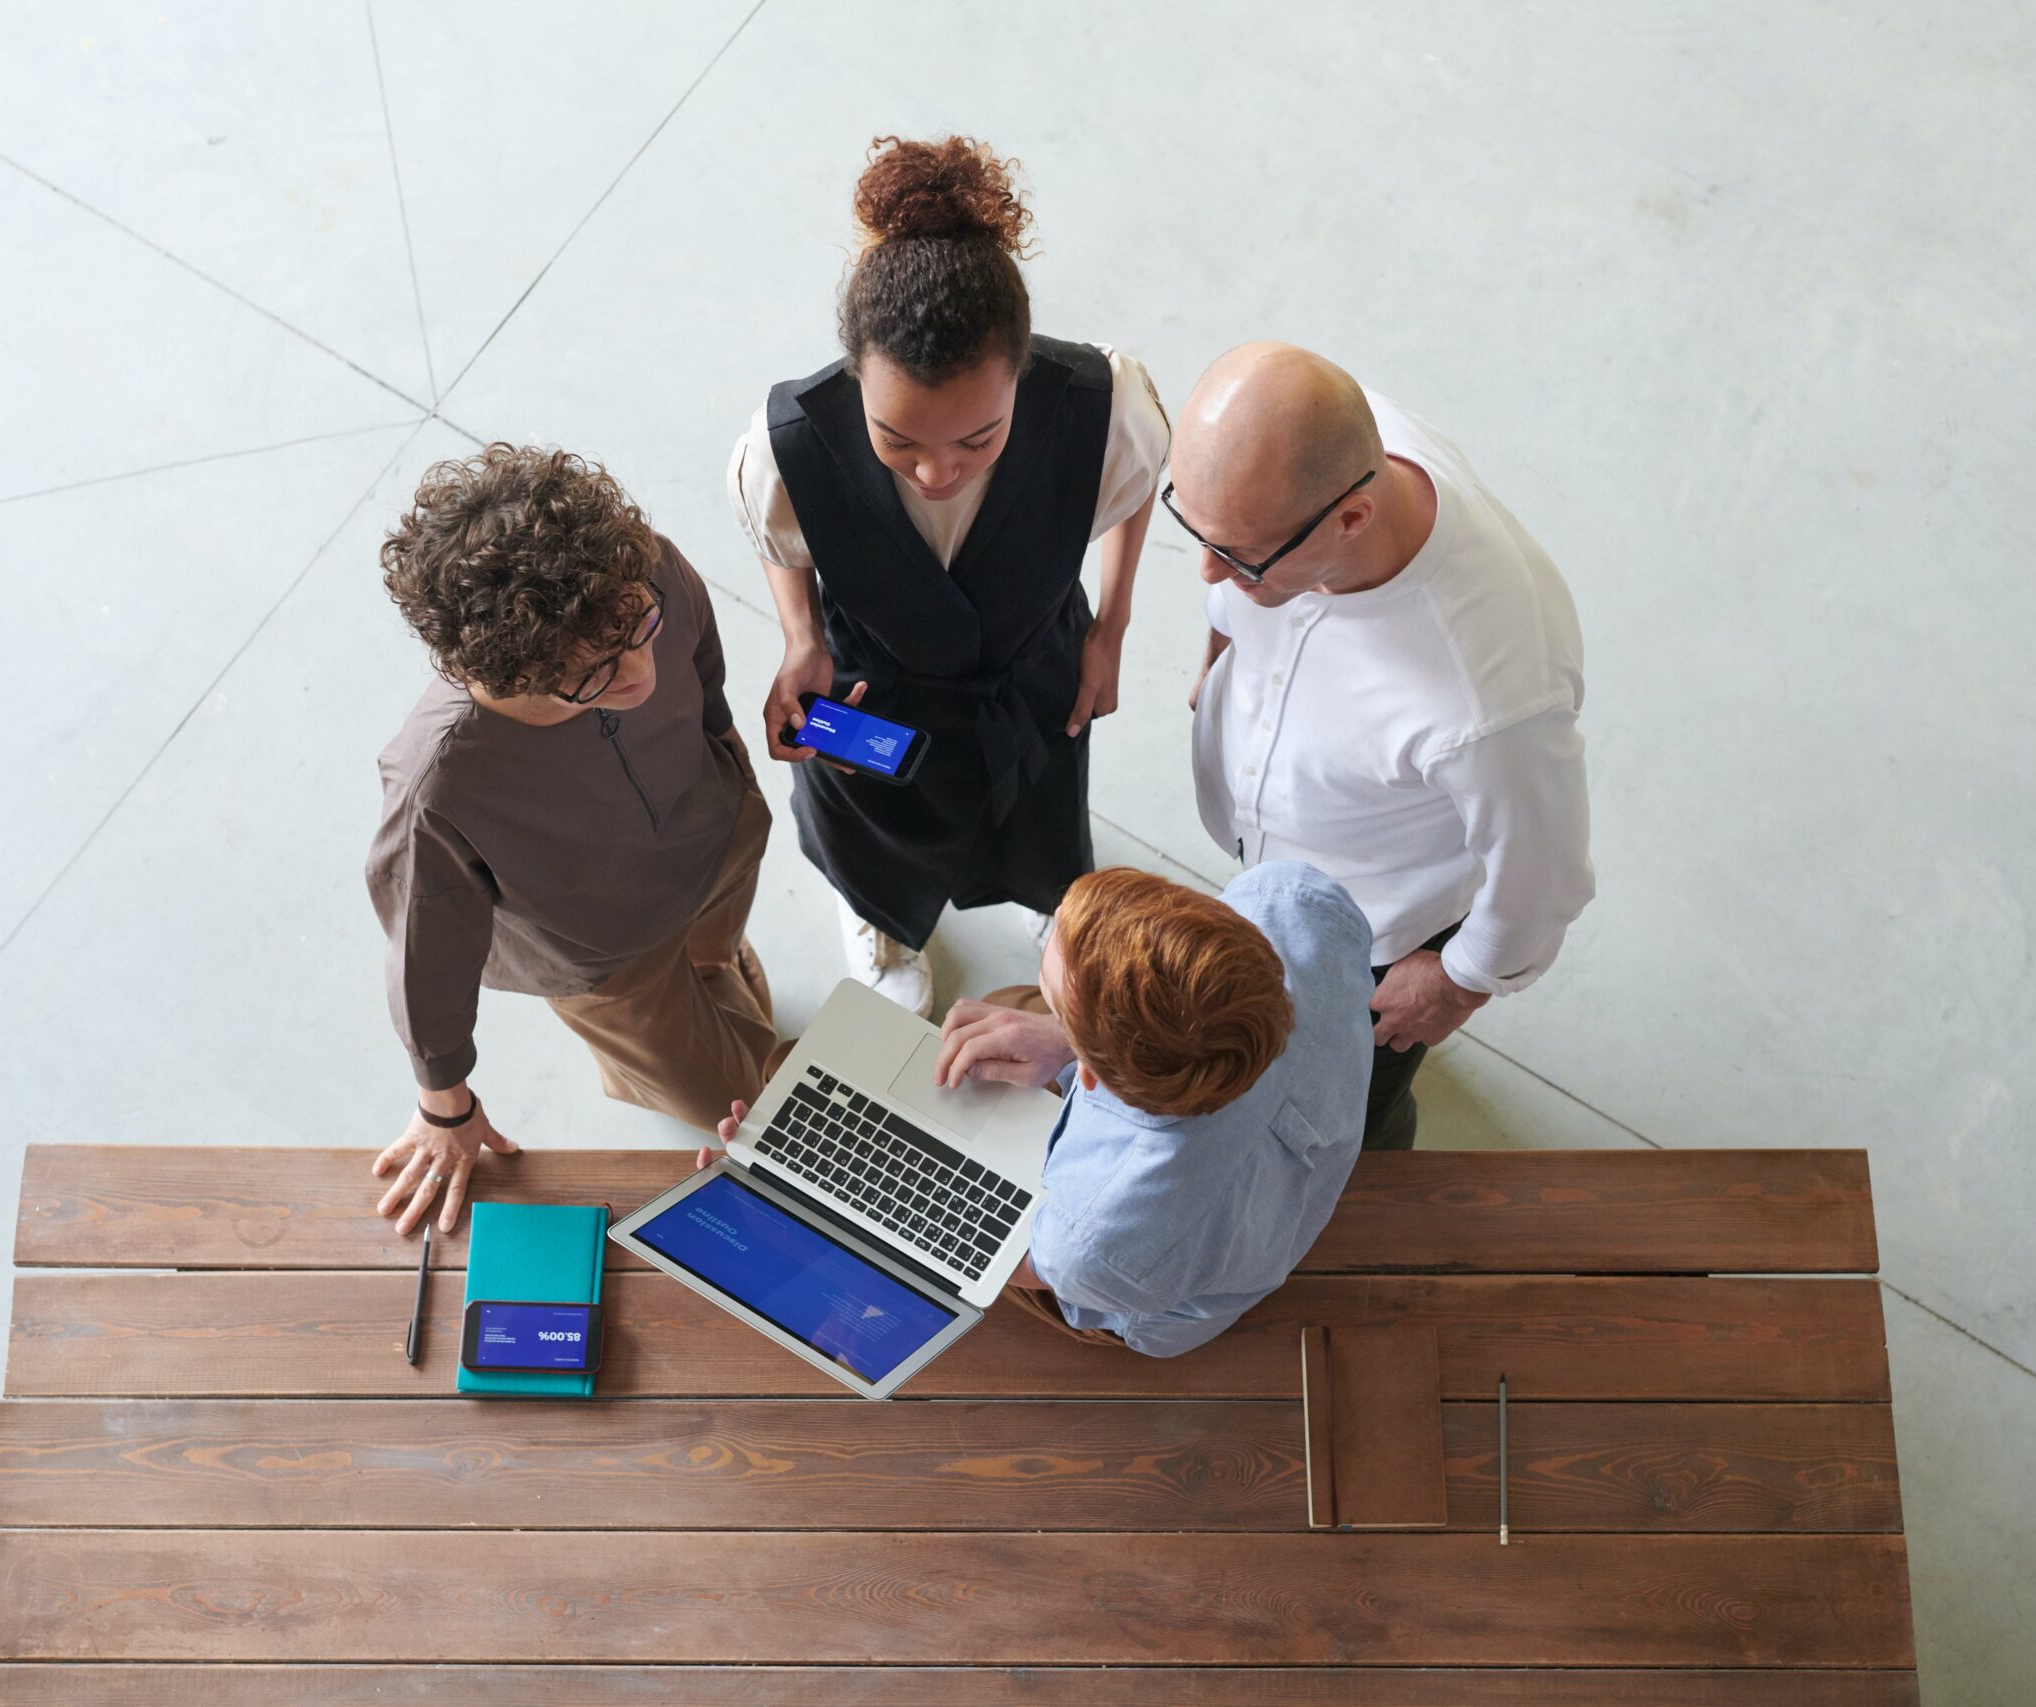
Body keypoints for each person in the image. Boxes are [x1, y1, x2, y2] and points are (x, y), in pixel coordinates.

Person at [725, 134, 1169, 1017]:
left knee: (1043, 802)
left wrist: (1110, 628)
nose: (936, 472)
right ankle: (878, 915)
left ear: (1022, 371)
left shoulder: (1101, 404)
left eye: (978, 438)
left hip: (1029, 660)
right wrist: (802, 637)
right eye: (897, 441)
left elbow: (1131, 493)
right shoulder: (782, 451)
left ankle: (1055, 906)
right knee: (868, 825)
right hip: (874, 684)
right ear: (856, 378)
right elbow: (787, 546)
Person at [1168, 343, 1593, 1151]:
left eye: (1238, 557)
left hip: (1373, 936)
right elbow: (1232, 569)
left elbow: (1546, 873)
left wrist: (1459, 982)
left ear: (1350, 519)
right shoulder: (1308, 457)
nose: (1207, 574)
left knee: (1337, 1118)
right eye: (1195, 529)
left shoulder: (1492, 697)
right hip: (1281, 864)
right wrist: (1219, 655)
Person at [702, 862, 1374, 1357]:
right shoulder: (1291, 901)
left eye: (1058, 1003)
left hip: (1155, 1296)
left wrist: (810, 1199)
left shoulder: (1091, 1240)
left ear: (1091, 1074)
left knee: (790, 1067)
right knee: (983, 1021)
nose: (1042, 991)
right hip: (1284, 1176)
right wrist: (1062, 1032)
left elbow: (1016, 1258)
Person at [365, 445, 776, 1235]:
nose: (639, 674)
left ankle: (715, 966)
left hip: (717, 830)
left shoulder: (637, 571)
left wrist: (722, 735)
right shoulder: (438, 787)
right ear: (506, 676)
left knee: (715, 951)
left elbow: (697, 650)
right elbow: (424, 957)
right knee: (732, 1100)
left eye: (637, 627)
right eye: (591, 676)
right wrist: (445, 1106)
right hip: (611, 960)